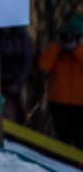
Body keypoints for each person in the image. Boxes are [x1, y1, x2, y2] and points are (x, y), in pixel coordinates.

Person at [37, 14, 83, 147]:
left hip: (80, 104)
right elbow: (43, 66)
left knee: (80, 140)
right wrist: (57, 46)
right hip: (59, 102)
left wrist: (77, 50)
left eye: (77, 37)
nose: (72, 39)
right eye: (71, 35)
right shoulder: (58, 51)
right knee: (63, 139)